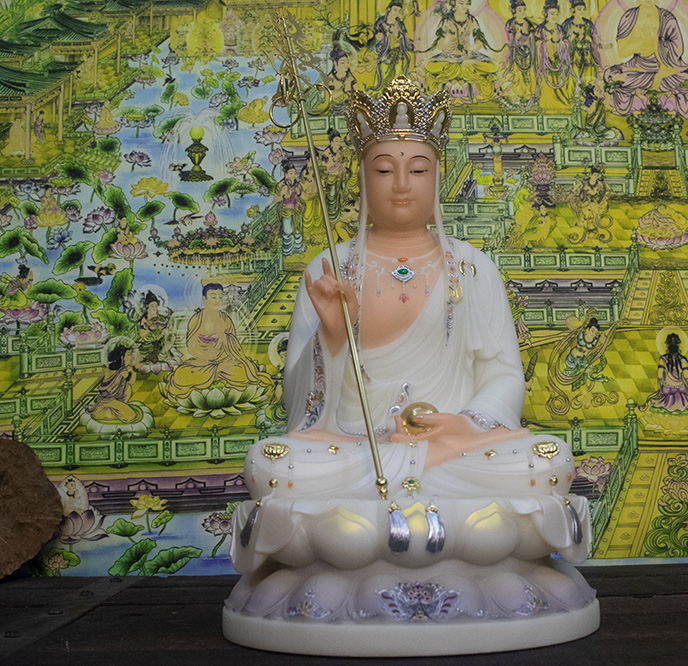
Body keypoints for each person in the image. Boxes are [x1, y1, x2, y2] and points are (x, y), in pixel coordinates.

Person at [225, 77, 597, 652]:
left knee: (545, 463)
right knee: (276, 469)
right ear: (361, 178)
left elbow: (503, 375)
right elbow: (301, 407)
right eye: (384, 168)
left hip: (455, 453)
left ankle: (354, 549)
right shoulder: (329, 268)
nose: (401, 183)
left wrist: (464, 424)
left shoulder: (472, 269)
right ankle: (470, 553)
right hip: (354, 453)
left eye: (418, 168)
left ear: (438, 177)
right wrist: (331, 337)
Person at [164, 283, 273, 401]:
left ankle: (216, 383)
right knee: (182, 374)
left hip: (224, 362)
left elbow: (233, 344)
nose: (217, 300)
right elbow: (192, 346)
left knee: (239, 370)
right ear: (204, 299)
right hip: (202, 363)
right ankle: (223, 385)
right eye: (213, 297)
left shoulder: (225, 319)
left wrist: (223, 338)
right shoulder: (197, 319)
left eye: (220, 297)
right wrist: (206, 357)